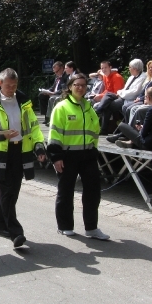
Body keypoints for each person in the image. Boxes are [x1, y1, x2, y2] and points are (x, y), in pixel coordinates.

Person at [0, 68, 46, 248]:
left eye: (14, 86)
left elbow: (34, 127)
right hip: (0, 153)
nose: (12, 89)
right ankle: (15, 232)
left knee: (12, 192)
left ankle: (0, 225)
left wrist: (39, 145)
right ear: (0, 83)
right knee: (7, 191)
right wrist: (2, 135)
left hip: (20, 152)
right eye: (8, 86)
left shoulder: (24, 102)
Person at [47, 73, 110, 240]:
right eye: (77, 85)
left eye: (83, 85)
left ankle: (91, 228)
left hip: (88, 156)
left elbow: (95, 132)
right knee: (66, 192)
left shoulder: (89, 108)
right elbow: (54, 134)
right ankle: (65, 226)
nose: (80, 88)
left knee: (93, 192)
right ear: (69, 87)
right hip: (67, 156)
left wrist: (93, 151)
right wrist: (56, 156)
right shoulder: (61, 107)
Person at [96, 59, 146, 135]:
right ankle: (100, 113)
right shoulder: (131, 77)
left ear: (135, 68)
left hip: (129, 99)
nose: (129, 69)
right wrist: (120, 92)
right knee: (108, 96)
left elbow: (134, 92)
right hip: (122, 96)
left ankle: (102, 123)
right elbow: (125, 89)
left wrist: (120, 93)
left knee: (108, 104)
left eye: (130, 67)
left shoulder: (142, 78)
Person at [92, 60, 125, 135]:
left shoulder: (117, 77)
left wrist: (102, 96)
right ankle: (104, 130)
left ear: (110, 67)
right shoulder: (105, 77)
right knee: (106, 106)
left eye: (105, 67)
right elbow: (107, 90)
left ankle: (98, 110)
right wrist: (99, 95)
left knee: (108, 96)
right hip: (108, 98)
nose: (103, 70)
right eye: (102, 68)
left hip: (118, 97)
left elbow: (117, 92)